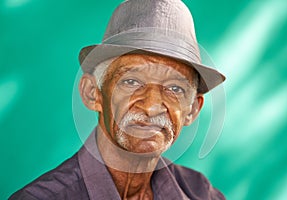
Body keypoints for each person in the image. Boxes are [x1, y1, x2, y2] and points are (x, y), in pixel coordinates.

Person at [10, 0, 226, 199]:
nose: (151, 107)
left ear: (192, 110)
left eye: (174, 88)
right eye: (131, 82)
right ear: (92, 93)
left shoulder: (201, 193)